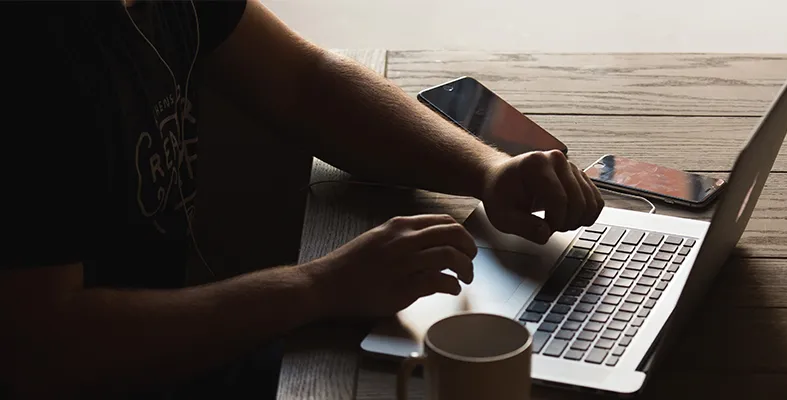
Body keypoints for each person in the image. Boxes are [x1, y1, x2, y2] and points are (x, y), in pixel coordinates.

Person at [0, 0, 604, 398]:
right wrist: (322, 286)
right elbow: (44, 346)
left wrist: (486, 168)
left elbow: (306, 83)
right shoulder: (30, 46)